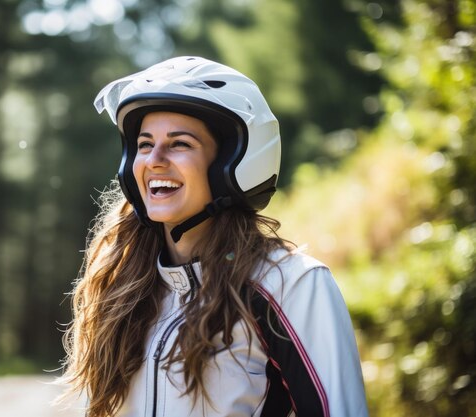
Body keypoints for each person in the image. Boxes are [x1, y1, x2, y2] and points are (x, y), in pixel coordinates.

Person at [60, 56, 368, 417]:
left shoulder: (290, 284)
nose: (154, 160)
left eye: (179, 144)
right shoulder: (121, 287)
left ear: (230, 165)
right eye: (144, 144)